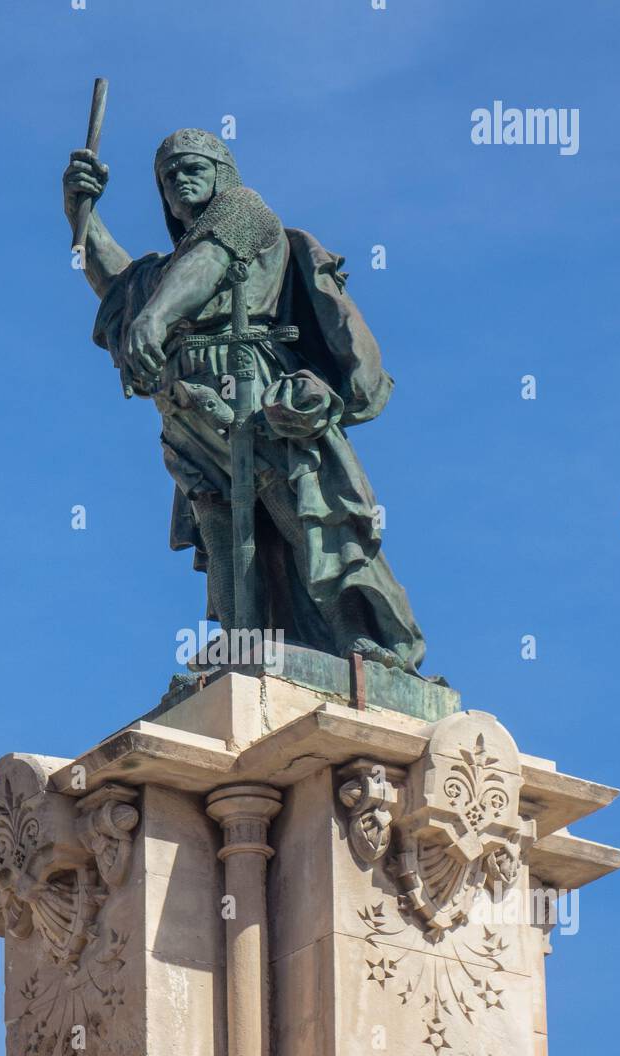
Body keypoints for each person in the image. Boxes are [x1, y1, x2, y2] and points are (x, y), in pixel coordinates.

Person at [63, 128, 431, 674]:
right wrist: (81, 216)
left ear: (221, 172)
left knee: (295, 501)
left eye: (192, 167)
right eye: (168, 176)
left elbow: (206, 264)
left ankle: (354, 634)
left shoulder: (243, 209)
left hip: (247, 382)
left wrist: (157, 318)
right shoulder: (166, 274)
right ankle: (242, 640)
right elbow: (120, 283)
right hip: (182, 401)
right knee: (214, 511)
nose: (179, 179)